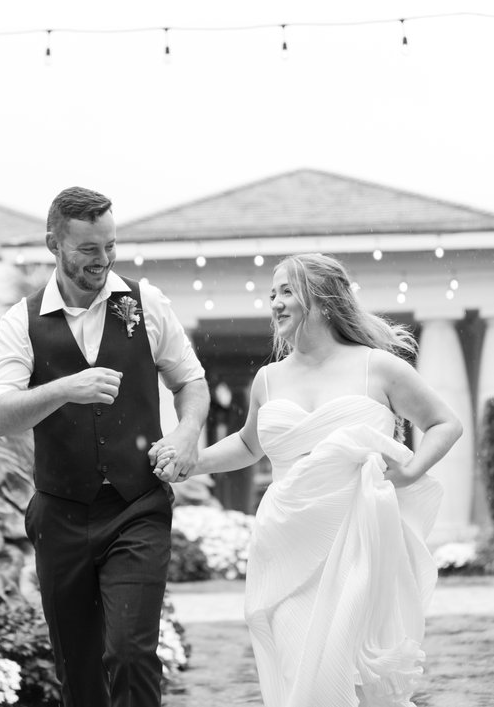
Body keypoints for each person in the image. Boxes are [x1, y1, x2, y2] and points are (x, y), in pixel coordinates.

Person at [155, 252, 463, 707]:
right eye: (272, 293)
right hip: (285, 541)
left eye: (286, 291)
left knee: (347, 664)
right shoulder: (268, 379)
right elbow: (247, 444)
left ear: (322, 300)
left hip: (356, 537)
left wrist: (412, 470)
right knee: (297, 664)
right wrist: (191, 463)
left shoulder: (378, 367)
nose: (275, 303)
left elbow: (445, 423)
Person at [0, 186, 209, 707]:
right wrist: (64, 389)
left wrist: (186, 432)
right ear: (53, 244)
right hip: (60, 513)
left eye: (109, 245)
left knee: (130, 652)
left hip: (137, 506)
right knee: (77, 669)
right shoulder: (22, 321)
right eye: (88, 249)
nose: (102, 260)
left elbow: (191, 381)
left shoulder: (146, 303)